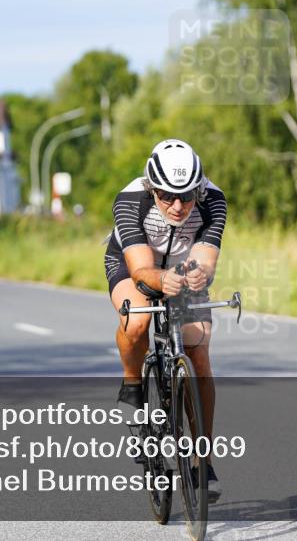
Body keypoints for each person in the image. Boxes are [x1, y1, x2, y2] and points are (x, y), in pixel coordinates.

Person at [105, 139, 227, 501]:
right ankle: (135, 388)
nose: (178, 206)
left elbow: (206, 257)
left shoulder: (214, 200)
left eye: (188, 196)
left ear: (199, 189)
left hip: (183, 266)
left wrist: (199, 276)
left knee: (199, 351)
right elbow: (141, 269)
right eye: (167, 197)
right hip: (135, 265)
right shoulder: (130, 201)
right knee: (137, 322)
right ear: (151, 187)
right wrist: (161, 279)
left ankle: (202, 460)